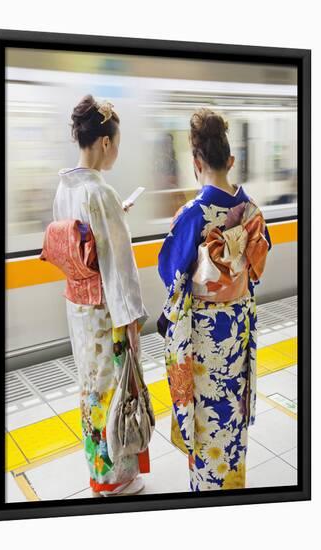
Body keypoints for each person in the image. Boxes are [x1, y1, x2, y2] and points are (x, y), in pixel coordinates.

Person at [157, 108, 272, 491]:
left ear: (196, 162)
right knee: (233, 406)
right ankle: (233, 482)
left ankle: (208, 491)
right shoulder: (253, 211)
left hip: (205, 335)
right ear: (231, 160)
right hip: (238, 325)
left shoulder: (192, 214)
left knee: (207, 415)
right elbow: (256, 267)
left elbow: (171, 273)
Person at [52, 95, 150, 497]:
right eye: (117, 144)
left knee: (90, 388)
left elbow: (81, 247)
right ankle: (117, 479)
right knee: (114, 391)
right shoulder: (101, 192)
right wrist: (131, 324)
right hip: (107, 314)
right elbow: (119, 268)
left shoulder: (65, 187)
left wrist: (114, 219)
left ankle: (96, 471)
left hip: (78, 309)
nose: (116, 153)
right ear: (105, 142)